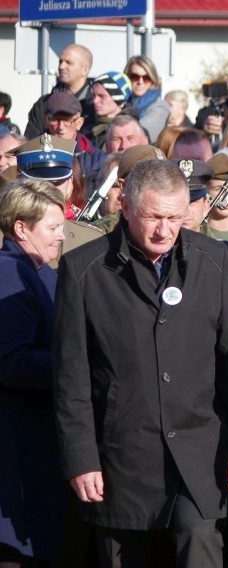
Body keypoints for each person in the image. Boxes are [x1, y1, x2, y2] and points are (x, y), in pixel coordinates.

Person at [52, 159, 228, 567]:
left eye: (174, 218)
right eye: (153, 217)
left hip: (199, 452)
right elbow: (70, 377)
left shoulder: (215, 262)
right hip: (122, 455)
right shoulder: (83, 270)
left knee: (199, 541)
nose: (164, 230)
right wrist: (81, 458)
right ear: (125, 206)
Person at [0, 180, 68, 566]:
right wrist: (78, 363)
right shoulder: (10, 273)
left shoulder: (38, 271)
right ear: (21, 228)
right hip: (17, 451)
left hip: (35, 446)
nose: (62, 236)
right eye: (53, 228)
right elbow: (14, 363)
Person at [25, 43, 96, 139]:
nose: (61, 67)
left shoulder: (95, 106)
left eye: (68, 62)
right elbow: (31, 140)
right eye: (60, 61)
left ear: (85, 70)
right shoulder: (44, 103)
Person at [124, 55, 170, 144]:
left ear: (153, 79)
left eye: (146, 77)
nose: (140, 82)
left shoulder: (160, 107)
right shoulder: (122, 102)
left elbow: (138, 137)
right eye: (134, 76)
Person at [90, 71, 134, 149]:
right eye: (94, 95)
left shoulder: (133, 130)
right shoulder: (89, 126)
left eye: (101, 96)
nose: (95, 101)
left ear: (118, 99)